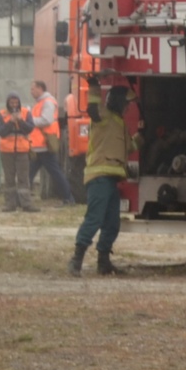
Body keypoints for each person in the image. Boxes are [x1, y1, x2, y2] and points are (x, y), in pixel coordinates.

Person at [70, 83, 129, 276]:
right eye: (125, 103)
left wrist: (146, 138)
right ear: (118, 102)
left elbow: (129, 146)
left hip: (110, 180)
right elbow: (92, 109)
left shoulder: (120, 124)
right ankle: (76, 260)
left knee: (112, 223)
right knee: (94, 219)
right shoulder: (103, 116)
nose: (127, 107)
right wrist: (94, 88)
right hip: (99, 178)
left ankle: (103, 262)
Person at [29, 81, 71, 204]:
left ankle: (69, 198)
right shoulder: (41, 103)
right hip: (39, 146)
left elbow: (46, 120)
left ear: (40, 89)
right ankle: (22, 199)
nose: (31, 92)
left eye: (33, 89)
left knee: (55, 174)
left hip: (45, 146)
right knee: (29, 175)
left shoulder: (47, 102)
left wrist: (29, 120)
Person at [0, 95, 37, 211]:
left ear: (19, 102)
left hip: (22, 150)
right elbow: (1, 131)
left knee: (24, 178)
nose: (14, 105)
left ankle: (26, 204)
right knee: (9, 178)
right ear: (7, 103)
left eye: (16, 102)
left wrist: (20, 121)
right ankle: (10, 204)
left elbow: (30, 128)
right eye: (12, 103)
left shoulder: (26, 113)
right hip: (6, 151)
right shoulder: (1, 115)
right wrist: (10, 122)